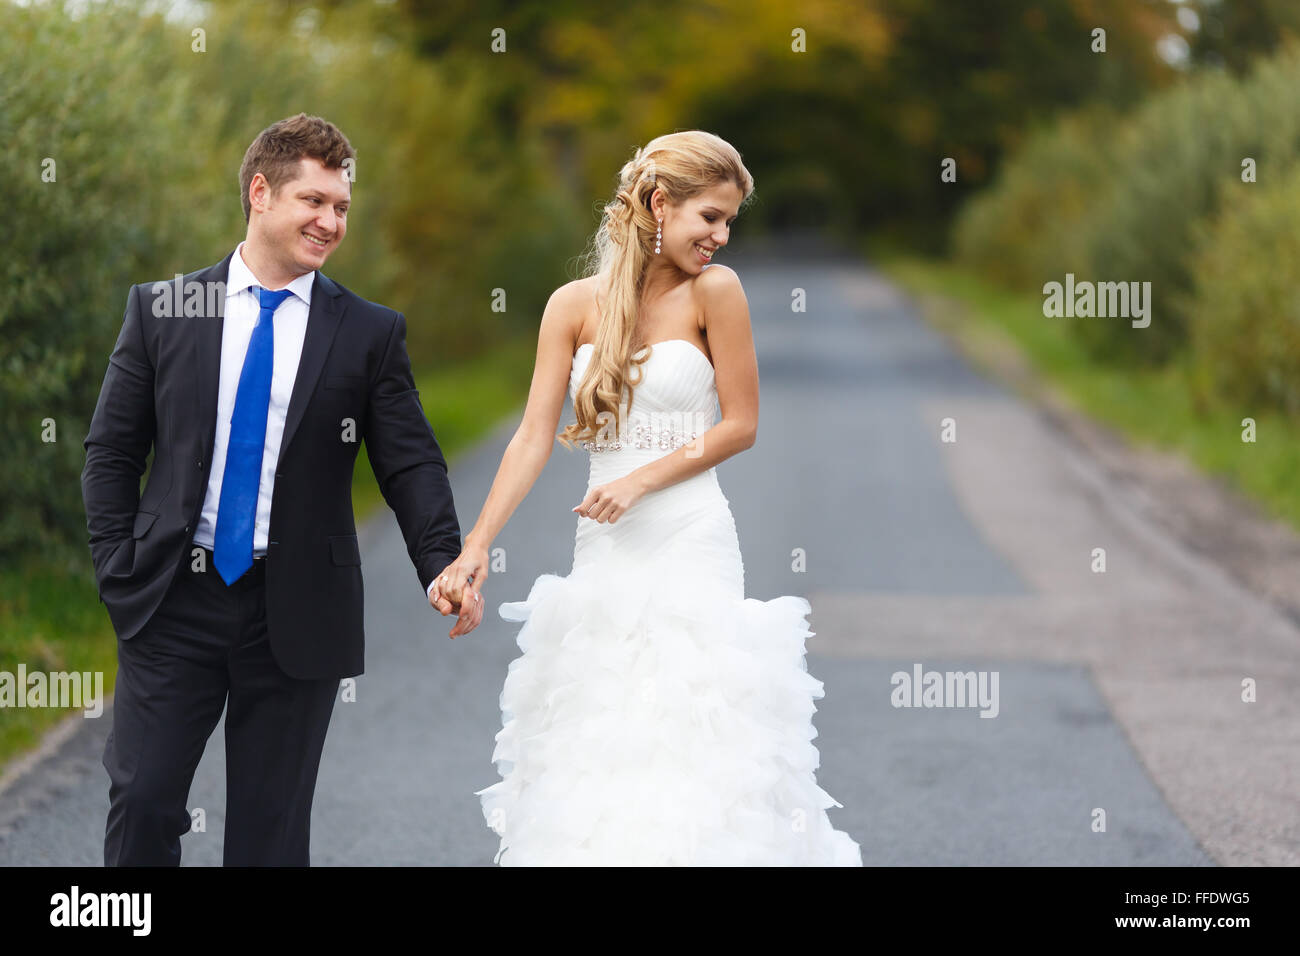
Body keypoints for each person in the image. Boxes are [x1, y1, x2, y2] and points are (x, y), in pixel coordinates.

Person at [434, 131, 862, 865]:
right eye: (710, 218)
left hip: (690, 538)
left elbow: (741, 425)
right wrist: (476, 547)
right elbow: (533, 437)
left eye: (730, 222)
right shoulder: (572, 306)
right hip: (603, 551)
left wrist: (638, 479)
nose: (721, 238)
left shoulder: (716, 293)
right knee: (606, 738)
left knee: (691, 736)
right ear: (659, 203)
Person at [81, 113, 478, 866]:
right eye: (314, 202)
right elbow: (110, 452)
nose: (331, 222)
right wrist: (116, 566)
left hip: (297, 611)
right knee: (143, 801)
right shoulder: (166, 308)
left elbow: (411, 462)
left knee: (268, 835)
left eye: (341, 208)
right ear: (260, 193)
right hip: (173, 598)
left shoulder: (366, 330)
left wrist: (443, 562)